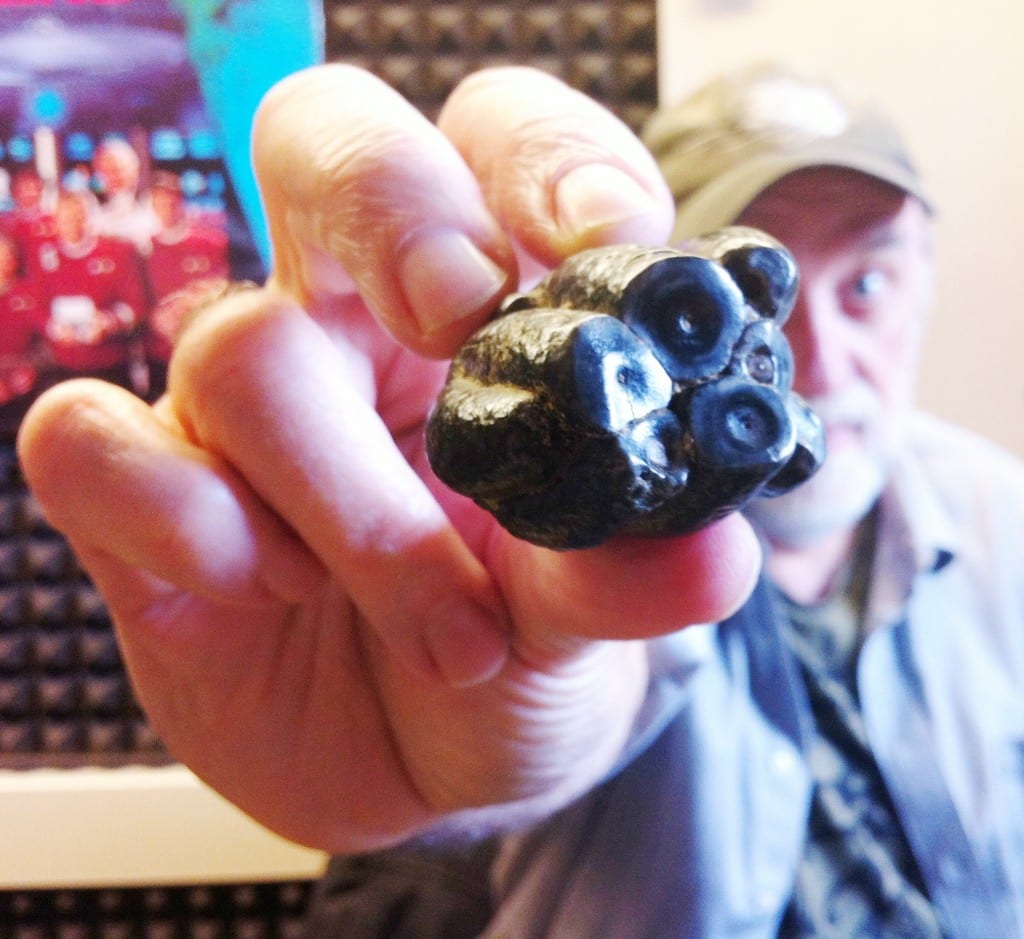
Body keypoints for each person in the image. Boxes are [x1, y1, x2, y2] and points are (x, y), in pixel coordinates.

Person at [13, 63, 1024, 938]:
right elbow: (544, 732)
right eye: (740, 308)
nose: (821, 362)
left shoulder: (1002, 524)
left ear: (925, 282)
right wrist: (444, 731)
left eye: (868, 286)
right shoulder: (558, 577)